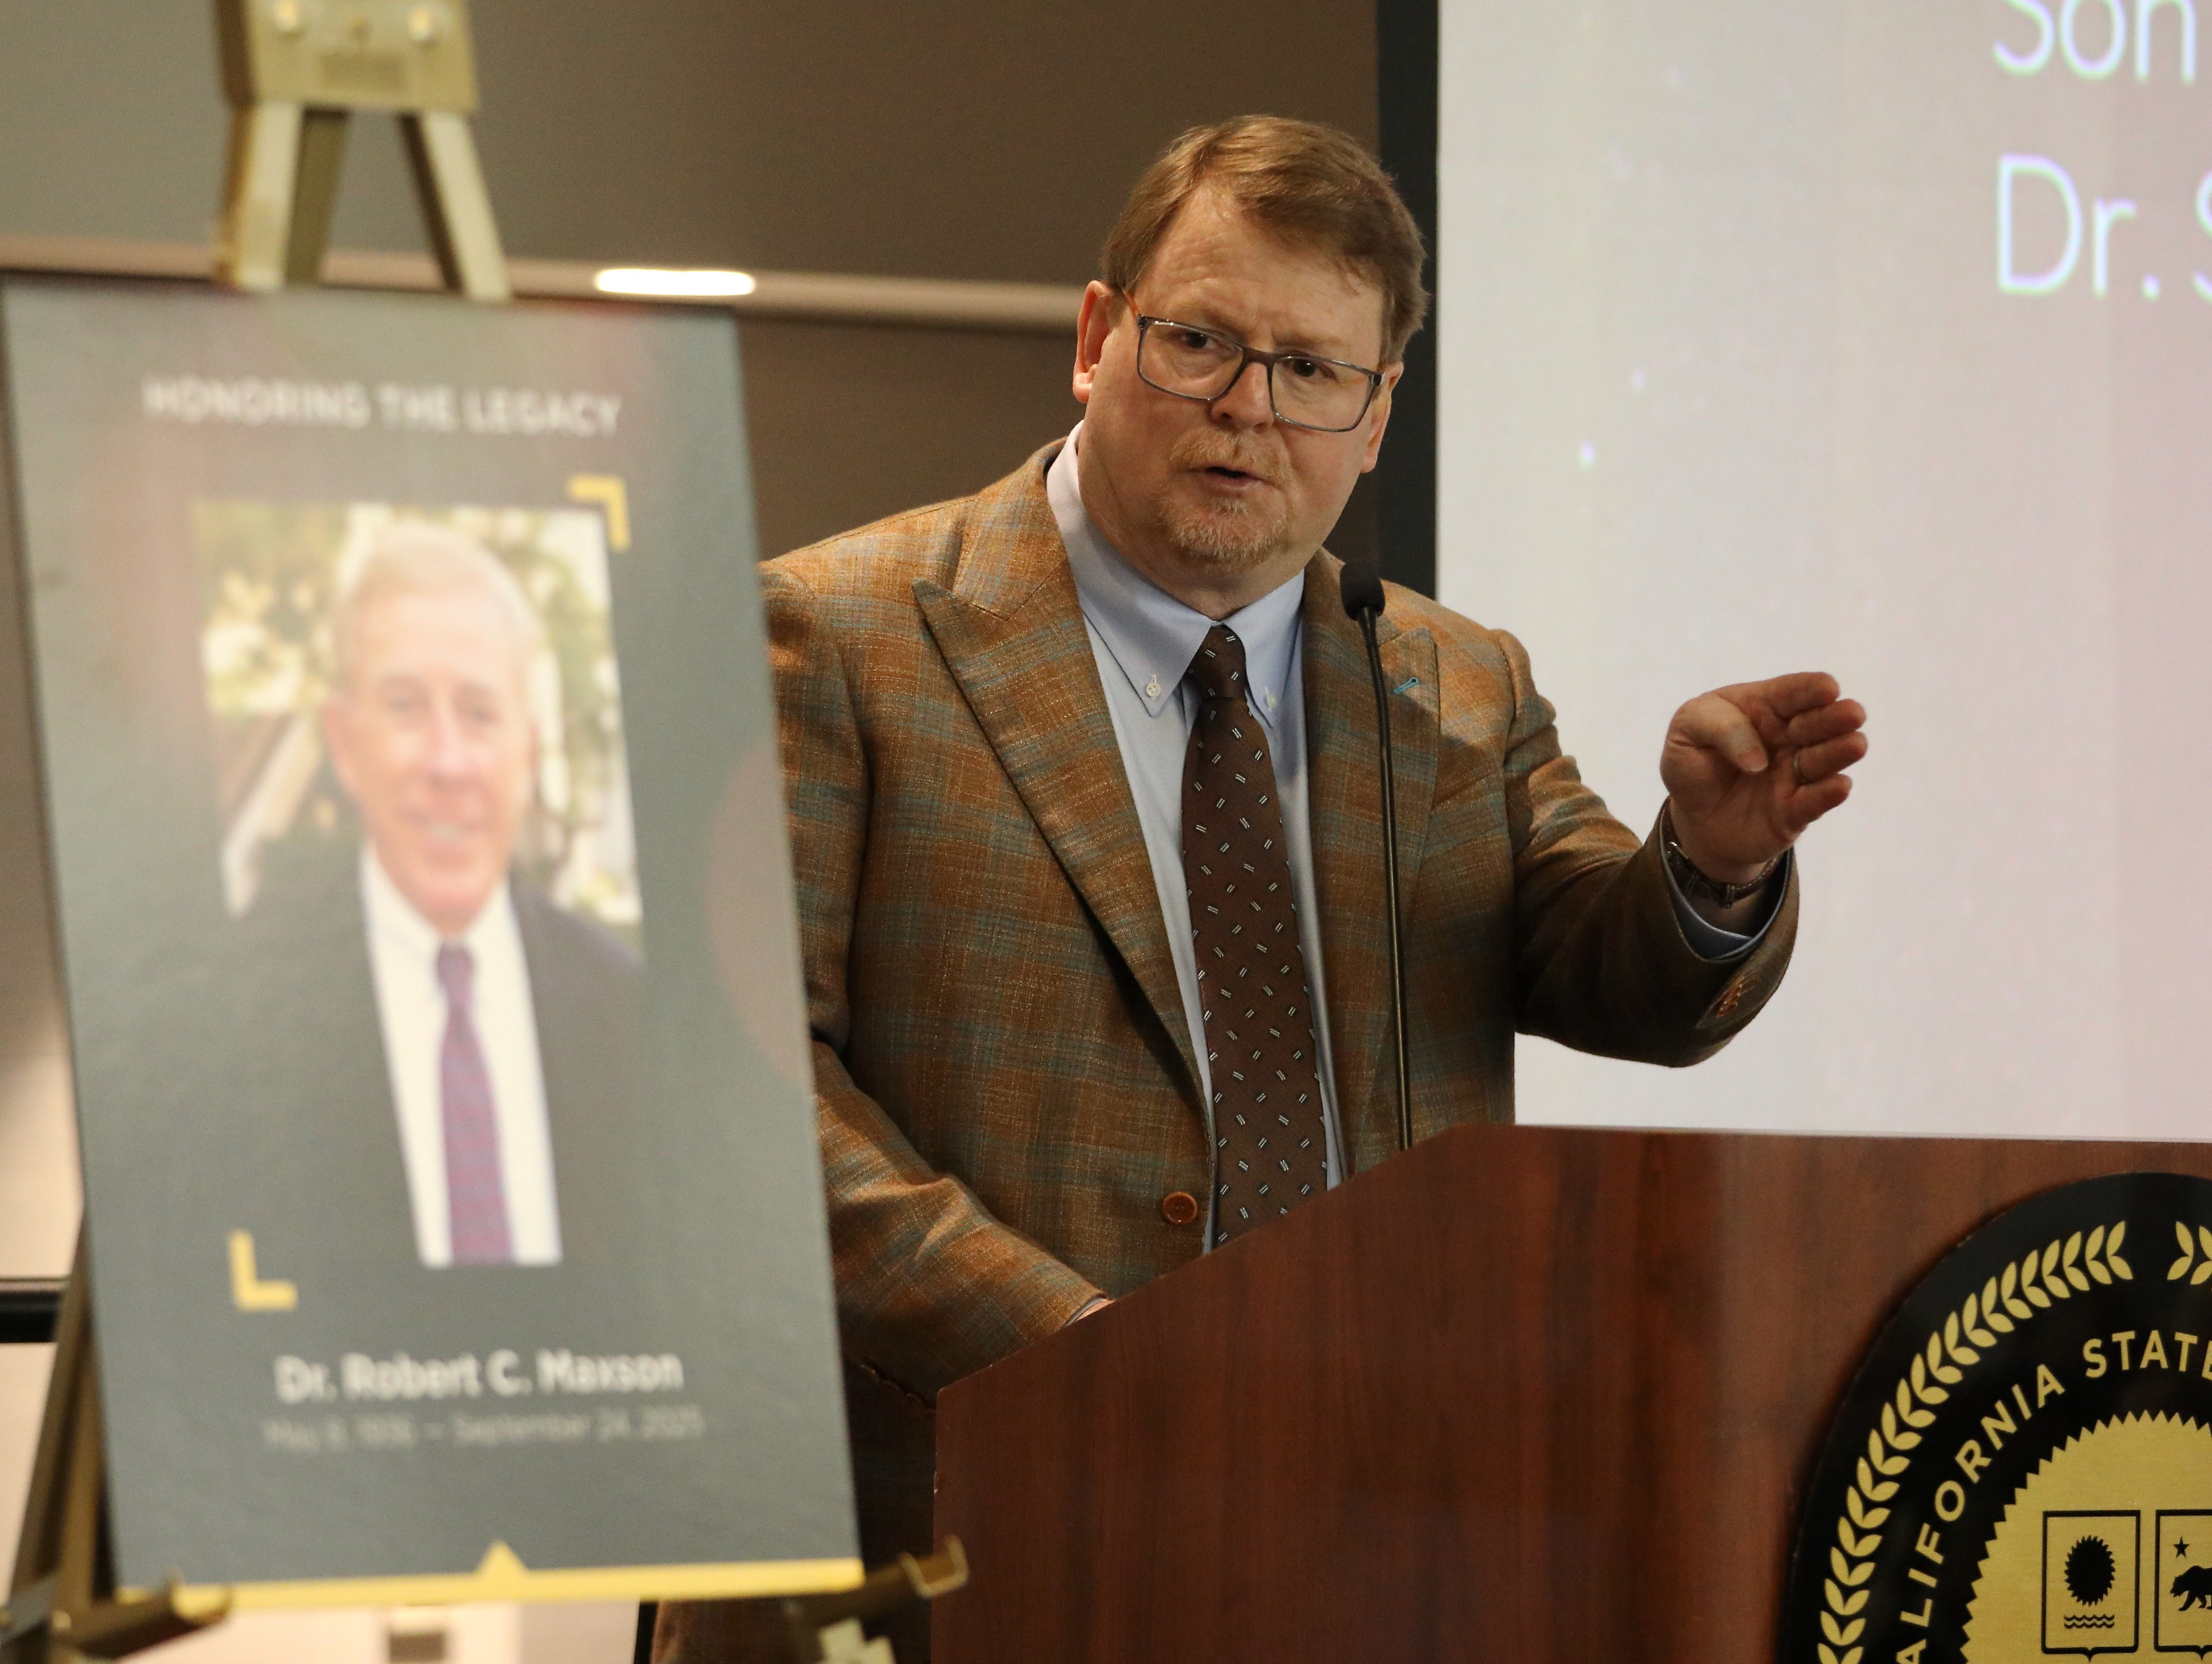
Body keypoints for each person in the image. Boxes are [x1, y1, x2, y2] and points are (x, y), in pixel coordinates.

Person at [657, 115, 1865, 1663]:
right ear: (1097, 340)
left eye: (1310, 371)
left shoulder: (1455, 682)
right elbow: (736, 1102)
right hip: (937, 1547)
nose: (1245, 410)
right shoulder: (833, 636)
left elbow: (1610, 968)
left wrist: (1712, 858)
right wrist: (1087, 1360)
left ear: (1375, 416)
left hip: (1358, 1549)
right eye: (1199, 343)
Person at [218, 521, 641, 1284]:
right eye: (406, 705)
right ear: (344, 744)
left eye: (479, 712)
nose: (448, 762)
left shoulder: (629, 1009)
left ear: (529, 749)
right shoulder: (234, 1017)